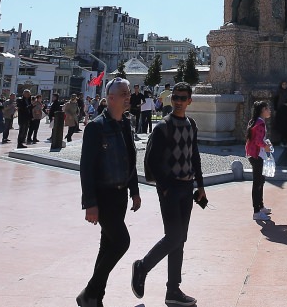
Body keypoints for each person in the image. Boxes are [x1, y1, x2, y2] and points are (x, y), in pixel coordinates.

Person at [131, 82, 204, 307]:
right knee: (174, 236)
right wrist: (165, 187)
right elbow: (152, 160)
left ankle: (173, 290)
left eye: (183, 98)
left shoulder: (191, 124)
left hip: (187, 187)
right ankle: (142, 266)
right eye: (175, 98)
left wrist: (200, 186)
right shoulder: (163, 126)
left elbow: (194, 155)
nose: (178, 102)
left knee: (180, 239)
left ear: (190, 101)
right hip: (170, 190)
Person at [77, 78, 141, 307]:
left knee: (107, 246)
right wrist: (90, 203)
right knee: (122, 242)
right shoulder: (96, 127)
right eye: (124, 93)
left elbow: (129, 160)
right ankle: (89, 292)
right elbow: (86, 168)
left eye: (128, 92)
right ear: (111, 98)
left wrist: (134, 191)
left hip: (120, 195)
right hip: (103, 197)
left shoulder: (126, 124)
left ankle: (96, 299)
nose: (128, 96)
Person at [245, 100, 274, 220]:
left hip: (254, 154)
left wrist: (265, 143)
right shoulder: (260, 123)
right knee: (257, 183)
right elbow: (258, 141)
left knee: (261, 181)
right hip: (257, 155)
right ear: (263, 110)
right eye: (267, 109)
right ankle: (256, 211)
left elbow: (256, 138)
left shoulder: (255, 121)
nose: (269, 111)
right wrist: (265, 146)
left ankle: (261, 206)